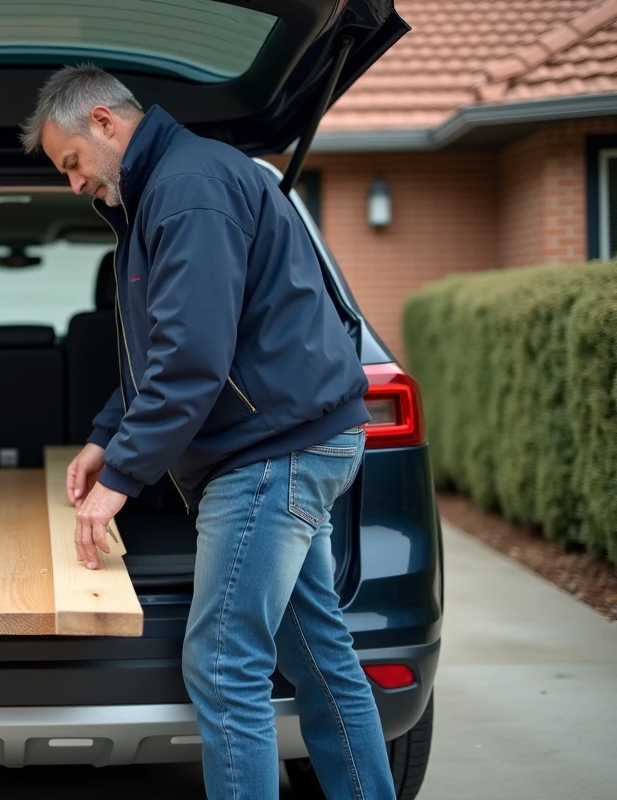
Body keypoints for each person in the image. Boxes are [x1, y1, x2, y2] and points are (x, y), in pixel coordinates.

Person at [21, 64, 393, 799]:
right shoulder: (166, 191)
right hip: (291, 441)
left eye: (70, 165)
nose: (72, 185)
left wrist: (120, 480)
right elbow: (162, 352)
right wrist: (106, 435)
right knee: (318, 655)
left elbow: (192, 359)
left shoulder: (188, 191)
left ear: (104, 122)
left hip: (270, 454)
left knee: (224, 665)